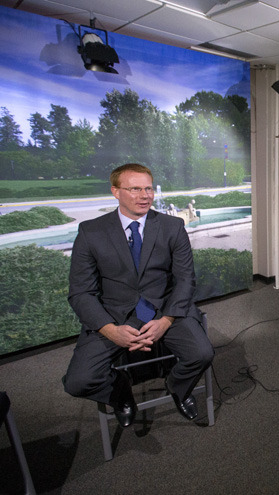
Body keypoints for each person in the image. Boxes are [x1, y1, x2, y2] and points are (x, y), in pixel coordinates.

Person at [63, 163, 214, 427]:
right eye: (135, 189)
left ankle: (178, 387)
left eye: (148, 188)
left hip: (165, 309)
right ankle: (120, 393)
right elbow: (81, 293)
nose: (145, 195)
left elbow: (185, 279)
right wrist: (110, 331)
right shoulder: (91, 232)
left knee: (201, 354)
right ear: (115, 192)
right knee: (78, 382)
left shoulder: (172, 226)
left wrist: (166, 320)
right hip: (115, 315)